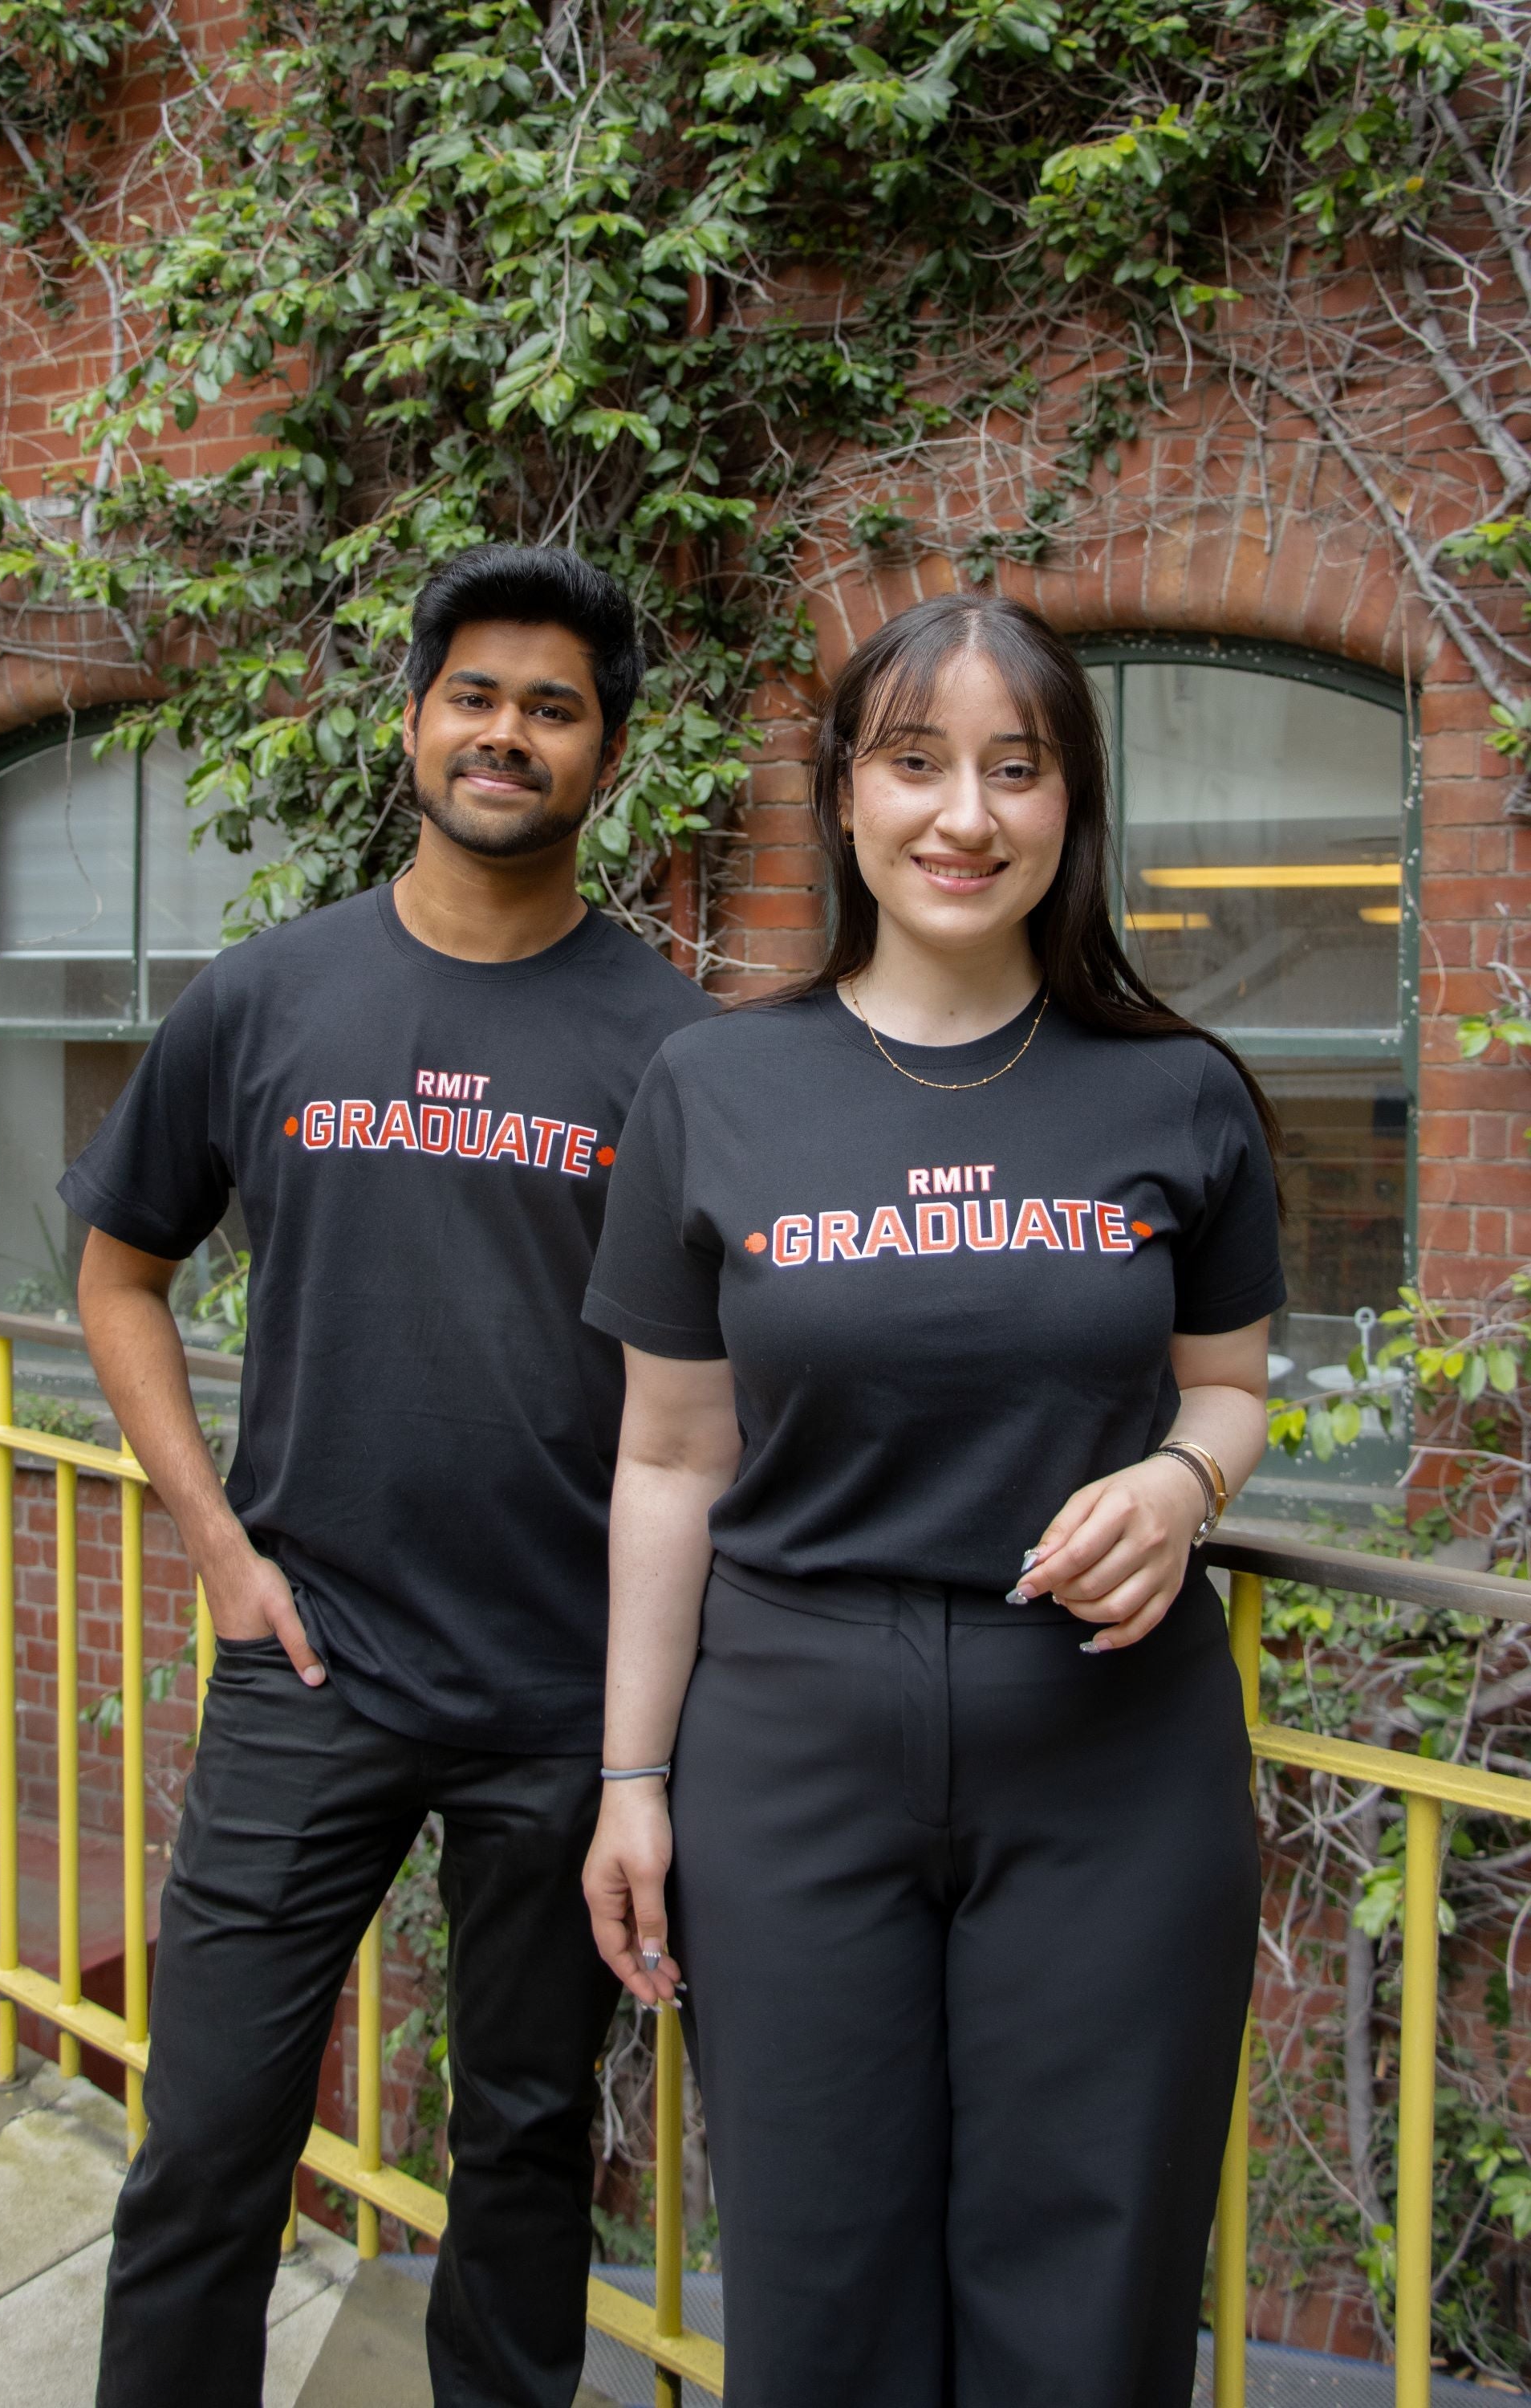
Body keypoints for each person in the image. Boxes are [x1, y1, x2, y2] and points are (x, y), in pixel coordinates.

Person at [580, 592, 1285, 2408]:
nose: (964, 815)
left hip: (1110, 1743)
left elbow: (1227, 1389)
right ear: (843, 795)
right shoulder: (712, 1086)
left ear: (1071, 808)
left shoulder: (1180, 1091)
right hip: (797, 1736)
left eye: (1013, 769)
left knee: (1096, 2274)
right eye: (914, 763)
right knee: (819, 2287)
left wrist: (1181, 1480)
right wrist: (633, 1781)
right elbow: (669, 1458)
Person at [63, 544, 717, 2408]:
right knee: (207, 2145)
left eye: (555, 707)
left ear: (608, 755)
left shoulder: (675, 1049)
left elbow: (720, 1401)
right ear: (414, 717)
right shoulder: (271, 996)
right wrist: (214, 1540)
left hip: (562, 1700)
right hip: (308, 1659)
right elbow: (121, 1271)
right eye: (476, 695)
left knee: (520, 2155)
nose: (507, 733)